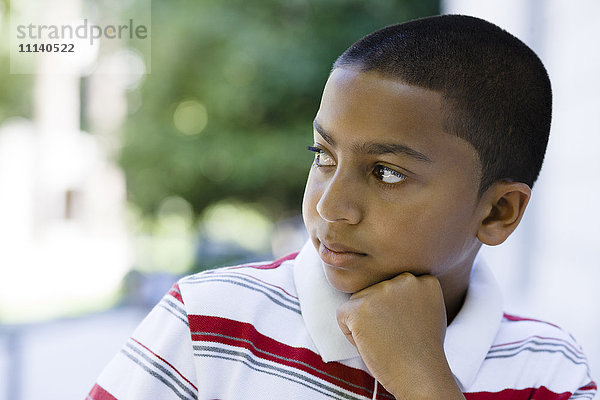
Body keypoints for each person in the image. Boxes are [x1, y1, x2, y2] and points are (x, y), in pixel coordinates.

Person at [87, 14, 596, 400]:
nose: (331, 207)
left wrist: (424, 380)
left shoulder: (550, 371)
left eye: (387, 173)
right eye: (323, 156)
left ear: (498, 213)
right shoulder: (209, 323)